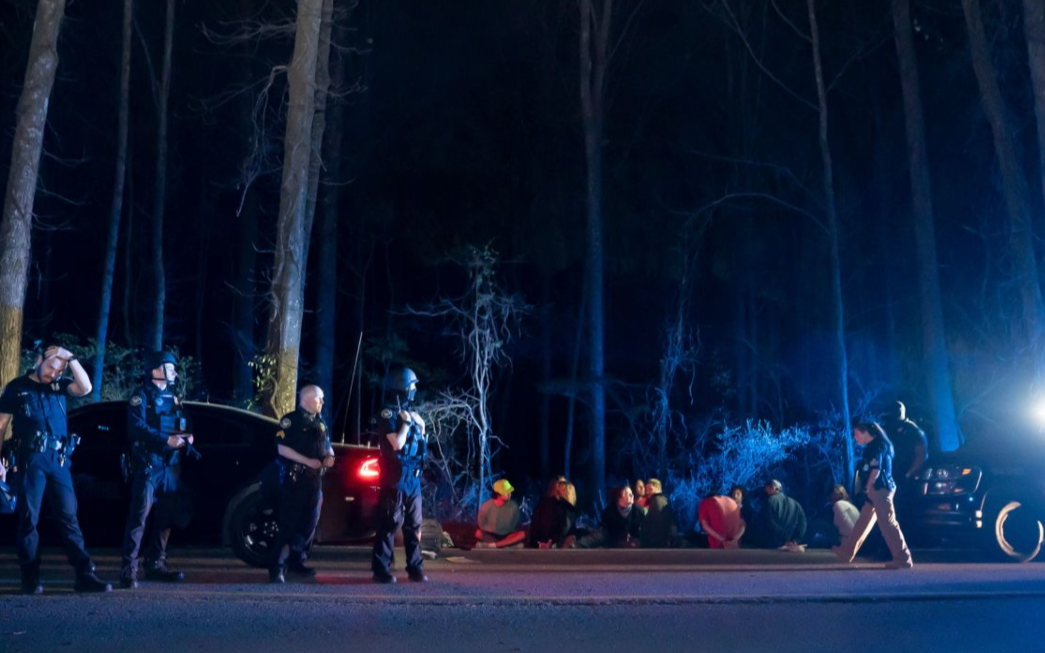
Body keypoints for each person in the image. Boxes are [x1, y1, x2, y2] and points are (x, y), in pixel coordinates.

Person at [0, 344, 112, 594]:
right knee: (29, 518)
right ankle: (30, 577)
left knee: (69, 517)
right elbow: (1, 425)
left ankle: (84, 574)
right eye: (50, 367)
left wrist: (69, 357)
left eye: (58, 371)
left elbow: (86, 387)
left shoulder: (59, 385)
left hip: (59, 459)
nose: (52, 374)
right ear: (39, 360)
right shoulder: (17, 388)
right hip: (31, 459)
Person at [120, 350, 197, 589]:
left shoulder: (174, 397)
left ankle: (155, 565)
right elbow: (136, 427)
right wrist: (165, 440)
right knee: (139, 517)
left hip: (171, 466)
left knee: (167, 517)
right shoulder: (140, 396)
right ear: (156, 370)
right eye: (169, 367)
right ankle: (128, 570)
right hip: (149, 465)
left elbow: (181, 423)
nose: (174, 371)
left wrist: (186, 437)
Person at [268, 385, 334, 583]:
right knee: (289, 524)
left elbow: (327, 445)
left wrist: (330, 456)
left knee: (309, 525)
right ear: (307, 399)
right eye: (319, 398)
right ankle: (277, 567)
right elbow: (282, 449)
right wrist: (306, 461)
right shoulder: (291, 421)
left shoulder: (320, 422)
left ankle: (298, 562)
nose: (322, 402)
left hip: (314, 481)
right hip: (295, 480)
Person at [371, 367, 428, 583]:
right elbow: (397, 443)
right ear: (401, 386)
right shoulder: (388, 413)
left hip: (413, 478)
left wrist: (420, 426)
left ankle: (415, 568)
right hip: (394, 479)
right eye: (411, 385)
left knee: (414, 526)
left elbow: (420, 444)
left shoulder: (412, 413)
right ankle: (381, 570)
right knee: (388, 525)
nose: (414, 390)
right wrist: (405, 423)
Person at [833, 422, 914, 569]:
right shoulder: (882, 444)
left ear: (866, 433)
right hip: (881, 488)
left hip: (880, 489)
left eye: (857, 434)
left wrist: (868, 486)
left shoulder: (874, 447)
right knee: (863, 521)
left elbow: (875, 469)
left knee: (887, 523)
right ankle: (847, 551)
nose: (855, 437)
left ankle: (903, 557)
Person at [474, 478, 527, 548]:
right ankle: (506, 545)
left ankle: (493, 545)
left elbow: (514, 524)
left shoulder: (514, 506)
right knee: (478, 533)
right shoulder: (486, 506)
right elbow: (481, 523)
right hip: (491, 535)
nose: (509, 494)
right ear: (498, 493)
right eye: (506, 492)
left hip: (507, 535)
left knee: (522, 534)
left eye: (510, 492)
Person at [885, 401, 928, 482]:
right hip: (892, 475)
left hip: (909, 476)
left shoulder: (914, 430)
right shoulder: (889, 428)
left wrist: (908, 474)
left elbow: (921, 455)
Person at [759, 479, 807, 550]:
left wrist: (784, 538)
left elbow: (769, 522)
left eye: (767, 489)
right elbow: (803, 524)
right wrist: (795, 540)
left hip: (773, 545)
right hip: (791, 546)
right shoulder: (795, 503)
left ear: (773, 488)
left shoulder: (769, 501)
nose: (765, 492)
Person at [529, 478, 577, 548]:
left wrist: (537, 543)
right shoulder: (567, 508)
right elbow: (565, 529)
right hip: (556, 543)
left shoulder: (541, 505)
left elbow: (534, 528)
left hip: (537, 542)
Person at [639, 478, 678, 548]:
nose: (647, 492)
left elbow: (656, 524)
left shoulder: (656, 500)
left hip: (657, 542)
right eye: (646, 490)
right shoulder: (665, 499)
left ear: (658, 488)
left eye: (650, 489)